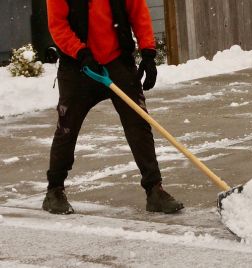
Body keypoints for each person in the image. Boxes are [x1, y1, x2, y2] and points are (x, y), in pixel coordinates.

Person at [43, 0, 183, 214]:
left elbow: (138, 11)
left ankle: (155, 191)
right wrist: (81, 52)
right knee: (67, 129)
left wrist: (148, 53)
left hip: (117, 61)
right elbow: (58, 25)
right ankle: (54, 191)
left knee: (139, 123)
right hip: (78, 66)